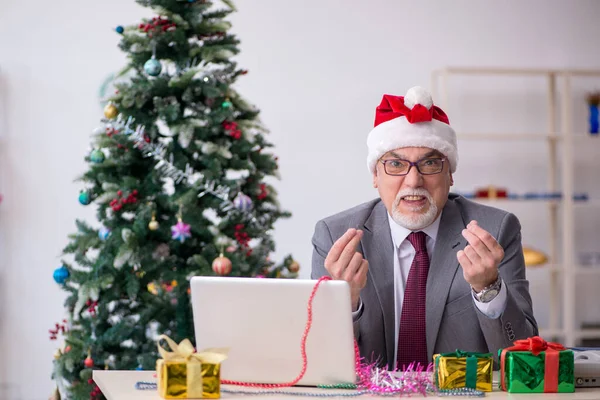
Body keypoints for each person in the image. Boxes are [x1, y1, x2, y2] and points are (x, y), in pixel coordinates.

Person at [311, 86, 538, 370]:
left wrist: (488, 288)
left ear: (450, 174)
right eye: (395, 164)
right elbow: (318, 362)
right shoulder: (336, 237)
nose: (413, 181)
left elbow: (525, 360)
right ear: (375, 175)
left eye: (430, 163)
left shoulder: (495, 230)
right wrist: (345, 303)